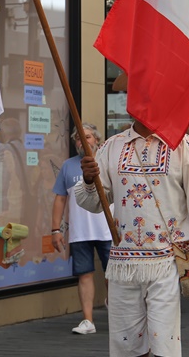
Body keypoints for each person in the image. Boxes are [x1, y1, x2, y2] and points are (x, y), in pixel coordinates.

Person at [76, 118, 189, 357]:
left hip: (167, 262)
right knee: (126, 348)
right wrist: (90, 181)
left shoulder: (183, 145)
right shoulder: (112, 146)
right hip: (124, 264)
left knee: (165, 346)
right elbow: (92, 202)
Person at [52, 123, 110, 335]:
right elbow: (60, 199)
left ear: (96, 139)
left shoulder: (106, 161)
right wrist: (55, 230)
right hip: (80, 232)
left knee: (113, 275)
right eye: (78, 138)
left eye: (87, 136)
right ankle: (88, 321)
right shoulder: (68, 166)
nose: (82, 141)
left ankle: (116, 308)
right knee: (84, 275)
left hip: (108, 230)